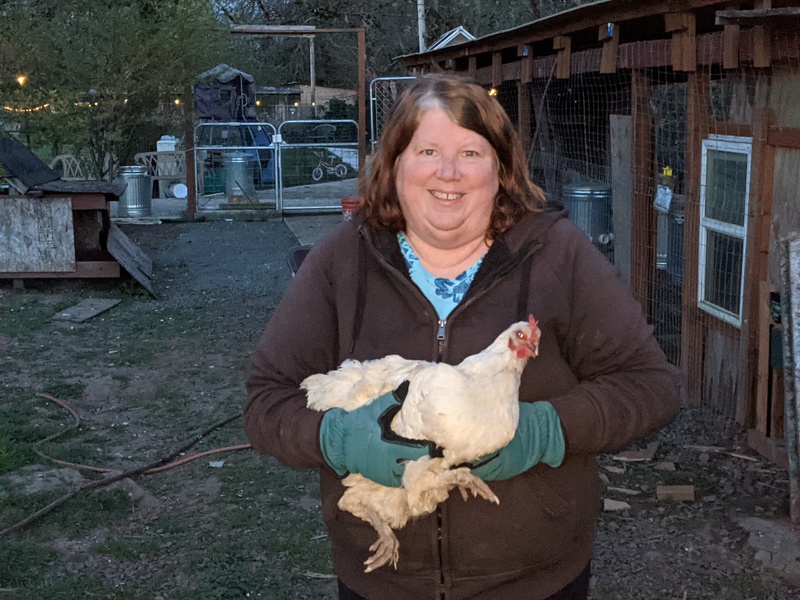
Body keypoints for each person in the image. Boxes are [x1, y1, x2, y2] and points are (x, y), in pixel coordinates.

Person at [244, 73, 682, 600]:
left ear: (500, 169)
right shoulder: (342, 261)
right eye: (427, 149)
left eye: (471, 153)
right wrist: (335, 439)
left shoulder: (558, 256)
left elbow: (651, 385)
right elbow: (266, 400)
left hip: (534, 582)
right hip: (383, 581)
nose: (448, 173)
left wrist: (544, 432)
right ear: (396, 164)